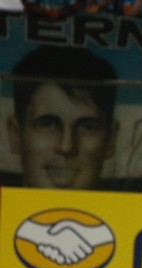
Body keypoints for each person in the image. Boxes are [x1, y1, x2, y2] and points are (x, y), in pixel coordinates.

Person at [7, 46, 118, 190]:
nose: (66, 147)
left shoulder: (139, 208)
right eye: (47, 124)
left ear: (110, 139)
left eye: (88, 127)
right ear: (16, 135)